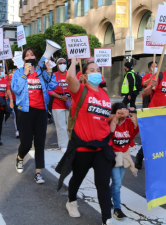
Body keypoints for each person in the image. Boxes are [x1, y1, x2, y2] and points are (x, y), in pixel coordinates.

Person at [55, 58, 115, 225]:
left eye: (98, 70)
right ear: (85, 75)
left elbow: (104, 117)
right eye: (92, 70)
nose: (97, 72)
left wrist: (116, 116)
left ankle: (106, 219)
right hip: (83, 147)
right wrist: (74, 62)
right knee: (78, 178)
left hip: (102, 147)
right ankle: (71, 201)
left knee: (103, 184)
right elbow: (69, 79)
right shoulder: (80, 90)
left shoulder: (104, 94)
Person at [11, 47, 57, 184]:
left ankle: (38, 173)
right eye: (27, 55)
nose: (30, 56)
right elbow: (16, 89)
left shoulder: (41, 72)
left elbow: (52, 86)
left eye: (32, 54)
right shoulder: (18, 72)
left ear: (35, 58)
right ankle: (20, 157)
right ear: (24, 59)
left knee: (40, 142)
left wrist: (49, 71)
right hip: (25, 111)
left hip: (40, 112)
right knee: (25, 143)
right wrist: (25, 74)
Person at [135, 57, 166, 169]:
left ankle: (159, 162)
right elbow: (144, 93)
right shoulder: (159, 76)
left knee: (164, 140)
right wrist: (151, 85)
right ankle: (140, 155)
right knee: (151, 139)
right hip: (154, 115)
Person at [109, 103, 139, 220]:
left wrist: (133, 115)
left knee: (117, 183)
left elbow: (137, 128)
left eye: (124, 110)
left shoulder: (129, 123)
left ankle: (107, 198)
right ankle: (117, 208)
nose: (123, 113)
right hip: (113, 156)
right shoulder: (112, 122)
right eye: (120, 111)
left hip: (125, 156)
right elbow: (111, 130)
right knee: (117, 183)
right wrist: (115, 117)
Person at [48, 58, 70, 153]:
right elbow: (49, 90)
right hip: (57, 103)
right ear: (57, 65)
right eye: (60, 63)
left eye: (64, 63)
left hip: (70, 103)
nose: (62, 65)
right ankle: (63, 145)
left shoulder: (70, 74)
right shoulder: (53, 75)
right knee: (61, 126)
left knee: (70, 126)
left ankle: (70, 143)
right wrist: (60, 97)